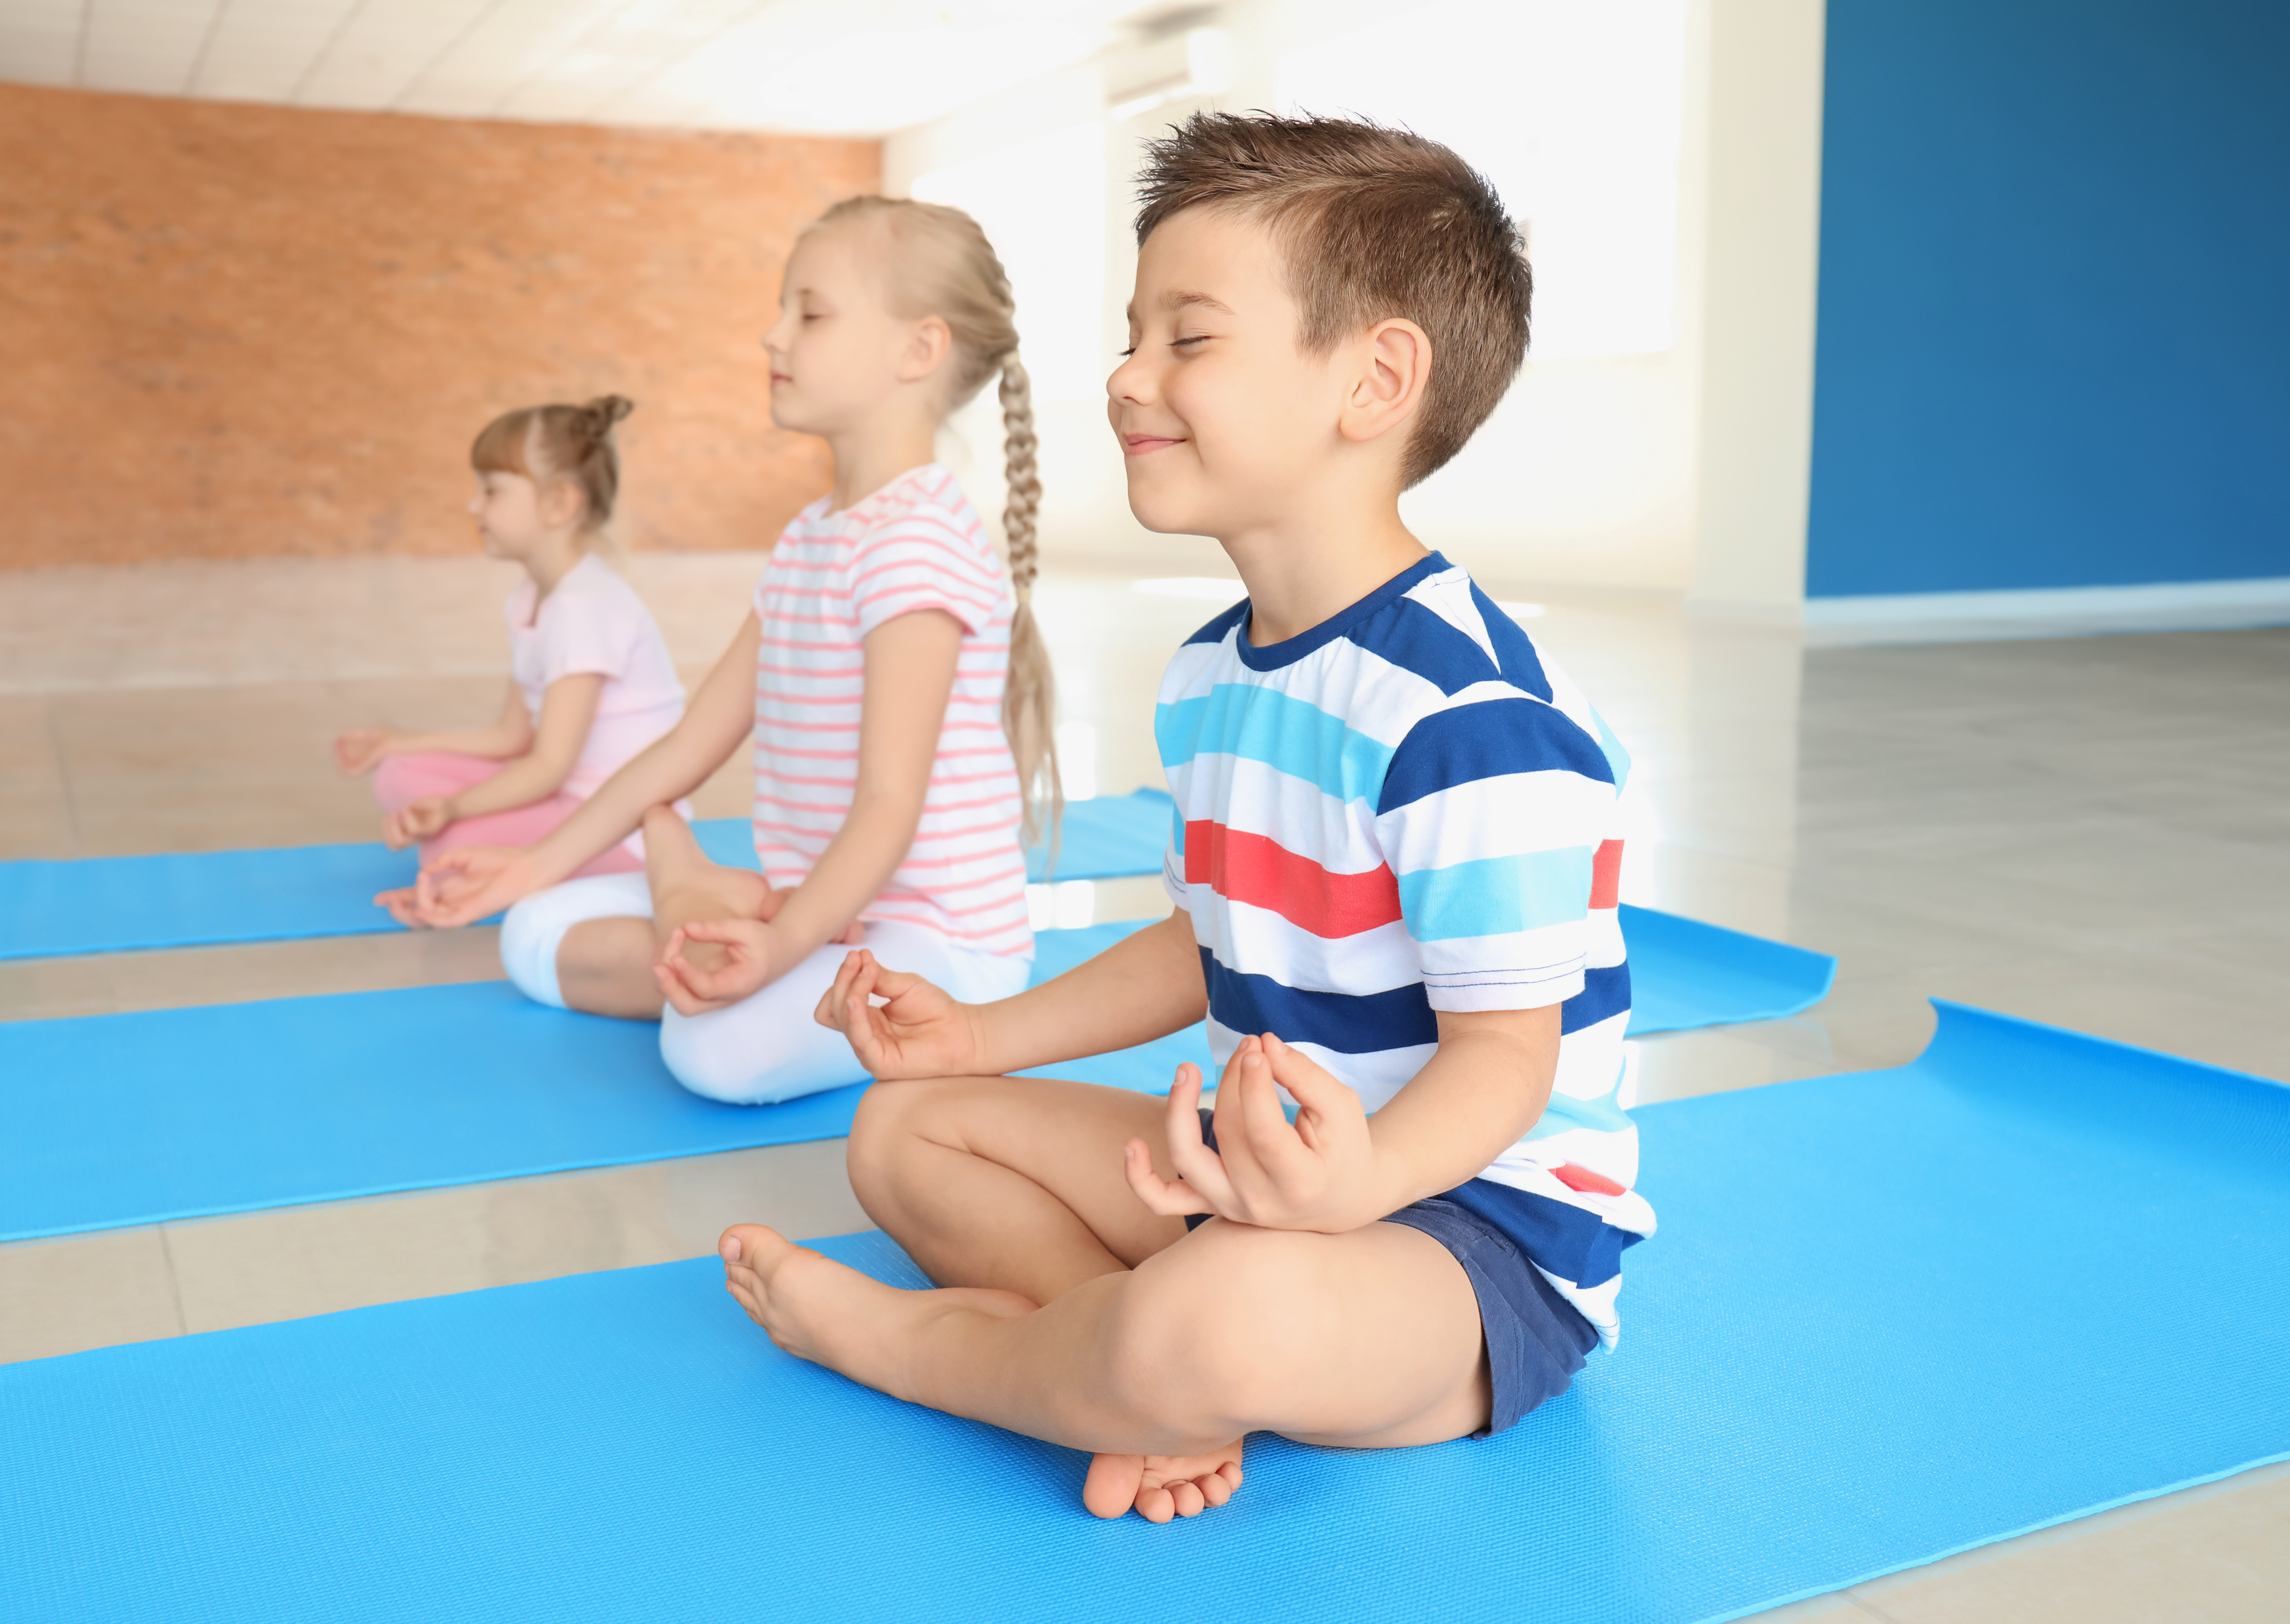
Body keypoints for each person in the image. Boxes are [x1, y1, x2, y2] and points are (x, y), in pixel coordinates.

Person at [714, 113, 1653, 1523]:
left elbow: (1511, 1056)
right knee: (905, 1129)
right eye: (1133, 332)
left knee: (1220, 1316)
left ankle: (919, 1349)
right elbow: (1203, 936)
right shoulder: (1214, 671)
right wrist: (979, 1037)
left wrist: (1358, 1188)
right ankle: (1133, 1382)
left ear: (1376, 380)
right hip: (1244, 1185)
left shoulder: (1470, 715)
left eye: (1189, 338)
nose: (1128, 376)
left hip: (1467, 1244)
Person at [387, 197, 1060, 1108]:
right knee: (535, 932)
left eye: (810, 313)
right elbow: (685, 747)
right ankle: (700, 906)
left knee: (717, 1054)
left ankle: (699, 902)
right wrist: (530, 865)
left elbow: (889, 804)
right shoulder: (812, 537)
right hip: (813, 910)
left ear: (919, 350)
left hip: (936, 942)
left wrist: (779, 950)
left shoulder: (916, 545)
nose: (772, 334)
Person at [334, 397, 684, 880]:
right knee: (402, 773)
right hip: (563, 797)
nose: (472, 505)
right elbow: (511, 736)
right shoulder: (531, 598)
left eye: (492, 491)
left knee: (452, 847)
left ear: (559, 503)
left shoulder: (585, 608)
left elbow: (549, 766)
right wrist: (398, 741)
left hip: (619, 826)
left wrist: (453, 809)